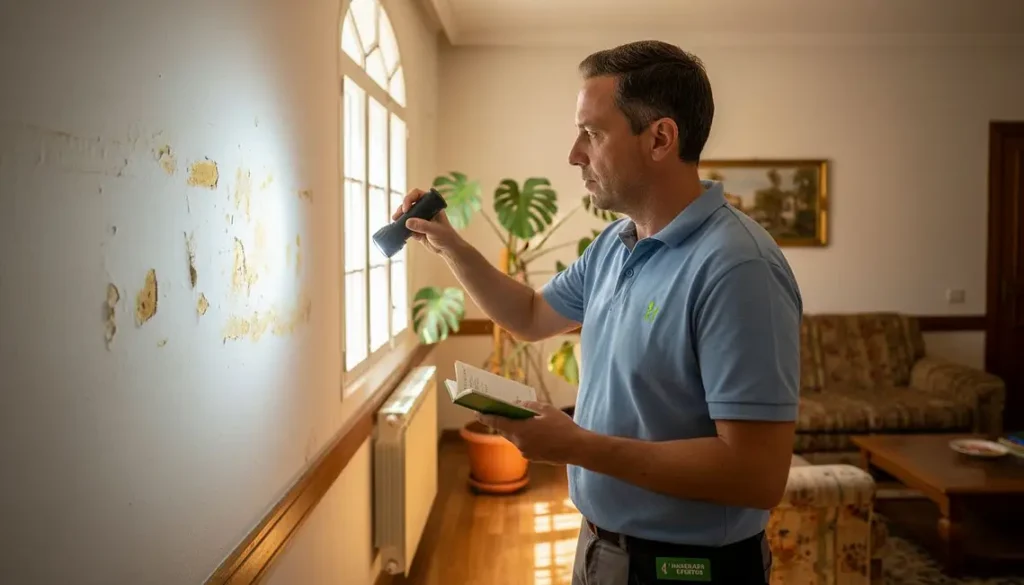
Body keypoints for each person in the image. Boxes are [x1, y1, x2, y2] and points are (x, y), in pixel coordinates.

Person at [394, 40, 801, 585]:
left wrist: (577, 445)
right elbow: (533, 316)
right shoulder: (616, 243)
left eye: (592, 132)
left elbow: (755, 475)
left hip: (686, 569)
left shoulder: (737, 267)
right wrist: (450, 245)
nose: (574, 154)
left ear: (660, 138)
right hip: (600, 549)